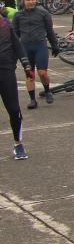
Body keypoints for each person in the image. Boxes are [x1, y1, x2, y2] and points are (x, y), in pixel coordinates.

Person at [12, 0, 59, 109]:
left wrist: (55, 45)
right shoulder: (18, 16)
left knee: (42, 73)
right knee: (29, 74)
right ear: (23, 1)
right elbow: (15, 35)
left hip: (40, 46)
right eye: (28, 0)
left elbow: (50, 31)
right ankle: (32, 100)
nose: (31, 2)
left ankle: (47, 91)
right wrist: (12, 50)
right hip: (25, 48)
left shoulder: (43, 13)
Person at [0, 12, 31, 159]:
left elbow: (17, 45)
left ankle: (18, 144)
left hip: (5, 70)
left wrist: (26, 65)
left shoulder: (5, 24)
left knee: (13, 109)